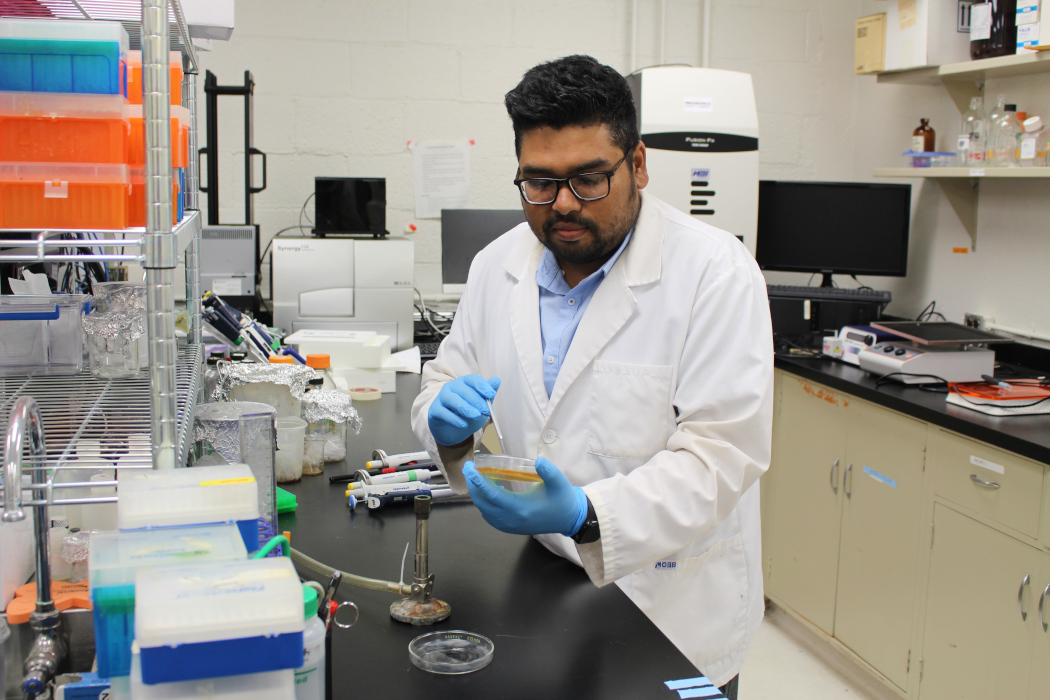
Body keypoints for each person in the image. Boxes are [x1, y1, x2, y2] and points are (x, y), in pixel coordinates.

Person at [410, 54, 772, 698]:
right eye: (539, 183)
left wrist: (586, 512)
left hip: (672, 602)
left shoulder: (715, 272)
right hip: (546, 578)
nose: (564, 205)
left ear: (637, 165)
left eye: (589, 179)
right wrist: (441, 414)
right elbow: (445, 375)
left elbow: (721, 456)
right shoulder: (498, 265)